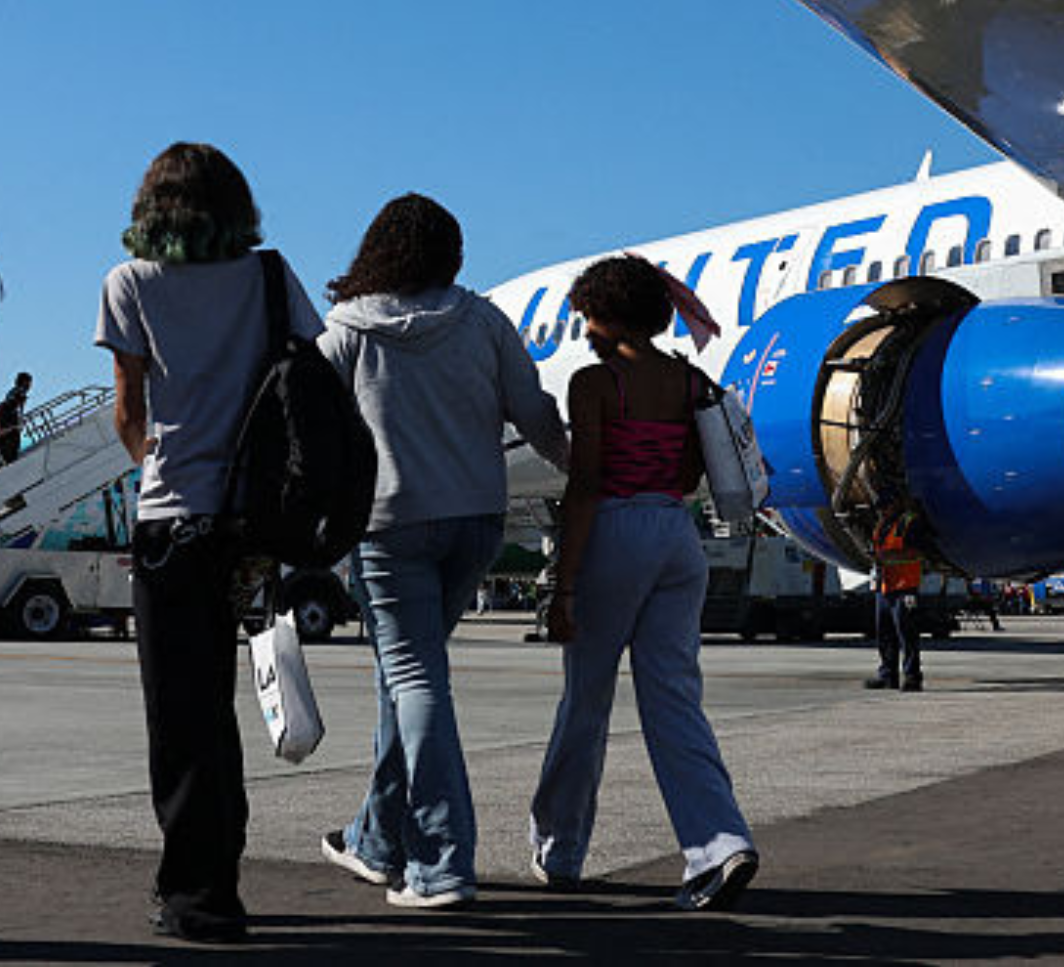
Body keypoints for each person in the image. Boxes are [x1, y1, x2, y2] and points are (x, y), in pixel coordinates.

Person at [95, 142, 321, 946]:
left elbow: (128, 409)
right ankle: (220, 868)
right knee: (228, 705)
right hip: (254, 521)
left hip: (173, 521)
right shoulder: (270, 275)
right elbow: (309, 374)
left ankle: (198, 892)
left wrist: (157, 465)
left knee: (183, 713)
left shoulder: (129, 283)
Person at [315, 193, 567, 910]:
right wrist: (582, 470)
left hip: (389, 527)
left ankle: (442, 864)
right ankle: (375, 839)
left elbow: (299, 422)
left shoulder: (348, 333)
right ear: (451, 254)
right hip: (475, 524)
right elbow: (535, 411)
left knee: (417, 681)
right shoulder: (483, 320)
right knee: (407, 677)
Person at [527, 256, 759, 910]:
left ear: (609, 316)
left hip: (617, 532)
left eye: (588, 319)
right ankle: (719, 844)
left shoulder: (597, 384)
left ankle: (561, 847)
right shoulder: (690, 381)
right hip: (677, 536)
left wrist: (563, 588)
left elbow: (586, 486)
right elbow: (691, 473)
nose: (586, 332)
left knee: (586, 701)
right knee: (676, 701)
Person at [865, 511, 925, 693]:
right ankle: (888, 675)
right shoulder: (881, 524)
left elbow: (917, 552)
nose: (882, 509)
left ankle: (912, 677)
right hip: (885, 586)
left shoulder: (909, 522)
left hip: (905, 586)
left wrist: (888, 557)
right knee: (885, 635)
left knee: (907, 634)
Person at [0, 374, 32, 466]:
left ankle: (4, 462)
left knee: (8, 446)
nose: (29, 386)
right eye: (28, 383)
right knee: (9, 446)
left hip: (8, 422)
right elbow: (6, 408)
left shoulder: (17, 393)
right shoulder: (17, 393)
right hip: (7, 423)